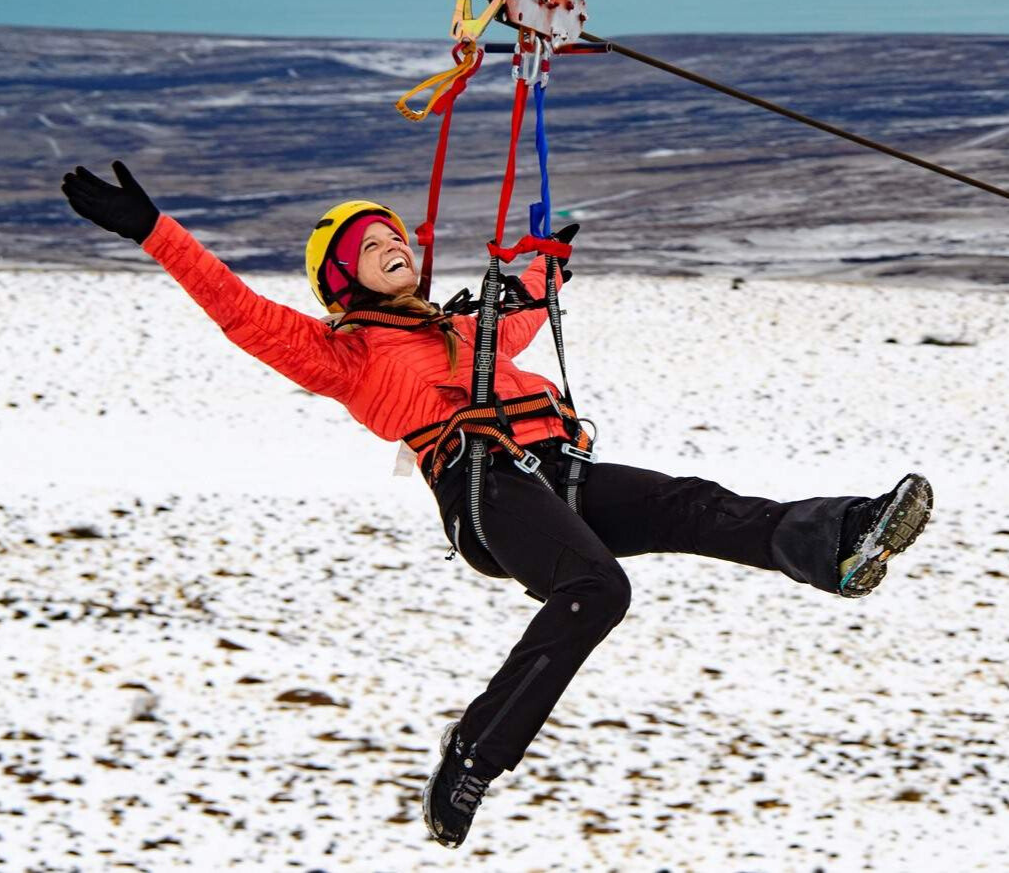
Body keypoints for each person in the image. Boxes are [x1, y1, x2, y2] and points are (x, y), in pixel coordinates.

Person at [61, 161, 934, 850]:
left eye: (398, 236)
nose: (394, 244)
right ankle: (475, 752)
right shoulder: (344, 352)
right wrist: (156, 232)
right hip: (483, 488)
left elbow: (519, 314)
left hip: (554, 465)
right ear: (342, 279)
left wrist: (544, 267)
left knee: (686, 504)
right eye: (373, 245)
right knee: (597, 588)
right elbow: (242, 312)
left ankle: (842, 540)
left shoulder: (461, 327)